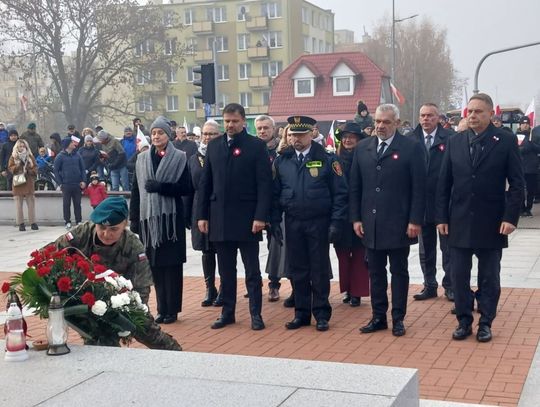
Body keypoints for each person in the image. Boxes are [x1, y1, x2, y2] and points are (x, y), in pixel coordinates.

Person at [436, 93, 524, 343]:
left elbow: (517, 184)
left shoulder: (505, 141)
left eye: (478, 112)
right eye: (470, 111)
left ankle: (486, 322)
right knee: (459, 276)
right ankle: (464, 321)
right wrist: (441, 216)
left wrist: (511, 217)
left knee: (489, 277)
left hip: (492, 222)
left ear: (490, 115)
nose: (472, 116)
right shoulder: (456, 141)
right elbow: (444, 183)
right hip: (459, 221)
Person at [54, 196, 181, 350]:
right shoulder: (82, 234)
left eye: (114, 229)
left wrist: (128, 314)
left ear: (124, 225)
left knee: (147, 331)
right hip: (86, 297)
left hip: (121, 298)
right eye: (101, 227)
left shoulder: (133, 246)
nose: (106, 234)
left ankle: (177, 354)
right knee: (99, 336)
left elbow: (141, 289)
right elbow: (48, 256)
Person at [350, 103, 426, 337]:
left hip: (399, 223)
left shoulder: (411, 148)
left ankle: (398, 318)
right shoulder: (363, 148)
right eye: (378, 122)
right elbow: (355, 187)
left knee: (399, 272)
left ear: (396, 123)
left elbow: (419, 188)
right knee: (375, 272)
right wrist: (355, 219)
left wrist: (415, 220)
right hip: (370, 223)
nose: (380, 126)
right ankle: (378, 316)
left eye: (386, 122)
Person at [197, 103, 272, 331]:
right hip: (220, 218)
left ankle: (255, 315)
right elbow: (205, 183)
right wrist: (202, 215)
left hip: (248, 220)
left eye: (235, 121)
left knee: (252, 271)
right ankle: (227, 312)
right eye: (226, 121)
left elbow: (264, 185)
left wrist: (261, 216)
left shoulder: (256, 146)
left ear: (243, 122)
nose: (230, 125)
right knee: (226, 271)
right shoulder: (214, 147)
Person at [272, 115, 348, 332]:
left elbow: (340, 194)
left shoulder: (327, 159)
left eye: (301, 134)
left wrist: (335, 223)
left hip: (319, 222)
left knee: (319, 269)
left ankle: (322, 313)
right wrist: (275, 221)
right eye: (294, 134)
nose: (297, 139)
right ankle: (302, 313)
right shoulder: (282, 161)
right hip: (293, 222)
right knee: (298, 269)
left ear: (312, 134)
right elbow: (275, 194)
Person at [130, 116, 192, 325]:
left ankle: (172, 310)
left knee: (171, 266)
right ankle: (161, 308)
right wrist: (134, 219)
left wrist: (161, 187)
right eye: (154, 133)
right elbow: (136, 191)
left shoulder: (180, 158)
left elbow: (187, 188)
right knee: (155, 266)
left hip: (171, 221)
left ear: (169, 135)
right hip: (149, 221)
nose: (156, 136)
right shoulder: (142, 159)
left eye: (161, 133)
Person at [408, 103, 453, 302]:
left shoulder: (451, 139)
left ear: (438, 118)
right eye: (422, 115)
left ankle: (450, 285)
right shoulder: (410, 140)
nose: (426, 119)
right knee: (426, 248)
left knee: (448, 248)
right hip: (421, 203)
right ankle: (430, 285)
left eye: (430, 116)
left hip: (444, 203)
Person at [333, 122, 369, 307]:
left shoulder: (365, 158)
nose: (347, 140)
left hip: (360, 214)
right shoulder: (334, 159)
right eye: (345, 137)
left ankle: (357, 292)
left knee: (359, 254)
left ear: (359, 140)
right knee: (342, 255)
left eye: (352, 137)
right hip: (340, 214)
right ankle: (347, 288)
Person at [187, 120, 222, 307]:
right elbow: (189, 188)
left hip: (219, 208)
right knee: (206, 251)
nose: (207, 137)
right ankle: (210, 288)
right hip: (199, 209)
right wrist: (187, 215)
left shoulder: (224, 155)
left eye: (212, 134)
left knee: (223, 250)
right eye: (205, 134)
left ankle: (225, 288)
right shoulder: (194, 158)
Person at [255, 114, 283, 302]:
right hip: (256, 205)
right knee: (251, 248)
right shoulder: (252, 148)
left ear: (273, 129)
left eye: (266, 128)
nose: (263, 131)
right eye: (260, 128)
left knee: (276, 245)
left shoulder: (282, 149)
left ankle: (274, 284)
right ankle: (254, 283)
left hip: (277, 205)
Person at [54, 136, 86, 229]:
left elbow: (83, 169)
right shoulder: (60, 156)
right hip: (66, 184)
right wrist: (60, 183)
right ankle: (67, 221)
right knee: (66, 204)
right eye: (72, 142)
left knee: (77, 204)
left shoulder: (77, 155)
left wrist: (83, 181)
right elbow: (56, 170)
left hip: (77, 184)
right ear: (67, 145)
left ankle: (79, 221)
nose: (74, 144)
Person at [8, 139, 38, 231]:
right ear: (17, 147)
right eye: (20, 146)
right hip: (18, 181)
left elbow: (35, 168)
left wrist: (29, 171)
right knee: (18, 204)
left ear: (26, 146)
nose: (22, 148)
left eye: (23, 146)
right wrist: (18, 166)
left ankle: (33, 222)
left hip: (28, 180)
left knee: (31, 203)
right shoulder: (13, 156)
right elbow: (10, 168)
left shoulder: (30, 156)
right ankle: (21, 223)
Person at [516, 116, 540, 217]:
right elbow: (515, 150)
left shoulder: (533, 135)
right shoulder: (515, 136)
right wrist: (523, 148)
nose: (525, 125)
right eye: (523, 123)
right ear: (520, 125)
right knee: (520, 189)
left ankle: (528, 209)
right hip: (519, 167)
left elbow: (538, 149)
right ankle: (521, 209)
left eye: (527, 123)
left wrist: (531, 145)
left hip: (532, 168)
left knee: (531, 190)